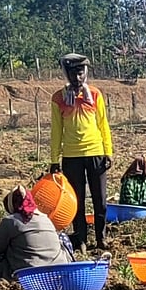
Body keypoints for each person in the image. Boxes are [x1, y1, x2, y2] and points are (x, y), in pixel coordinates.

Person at [49, 53, 113, 252]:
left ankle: (101, 238)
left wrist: (108, 152)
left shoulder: (94, 94)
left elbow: (103, 124)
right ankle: (81, 239)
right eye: (73, 74)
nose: (77, 78)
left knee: (100, 199)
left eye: (81, 73)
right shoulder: (59, 98)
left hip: (96, 152)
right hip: (71, 156)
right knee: (76, 201)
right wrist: (54, 160)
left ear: (85, 72)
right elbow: (56, 130)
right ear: (66, 74)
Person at [0, 185, 74, 282]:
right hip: (58, 270)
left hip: (28, 273)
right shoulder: (45, 218)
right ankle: (70, 265)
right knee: (62, 236)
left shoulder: (10, 221)